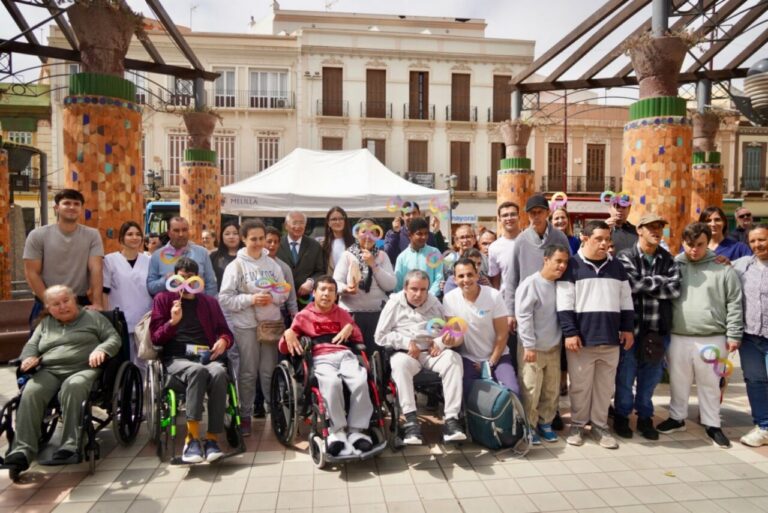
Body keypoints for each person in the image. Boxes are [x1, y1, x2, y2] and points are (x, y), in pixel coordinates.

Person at [2, 285, 122, 473]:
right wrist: (28, 358)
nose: (62, 306)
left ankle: (71, 446)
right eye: (56, 304)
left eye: (66, 301)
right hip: (50, 370)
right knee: (31, 391)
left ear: (74, 300)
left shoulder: (92, 317)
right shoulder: (46, 324)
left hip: (83, 368)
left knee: (73, 387)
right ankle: (22, 451)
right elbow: (31, 346)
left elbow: (113, 338)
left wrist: (101, 349)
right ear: (48, 308)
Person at [657, 222, 743, 448]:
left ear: (708, 243)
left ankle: (713, 424)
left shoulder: (723, 268)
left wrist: (734, 334)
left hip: (713, 336)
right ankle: (677, 418)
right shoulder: (673, 266)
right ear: (683, 243)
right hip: (678, 336)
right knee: (678, 380)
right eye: (690, 245)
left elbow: (734, 302)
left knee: (711, 383)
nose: (694, 249)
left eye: (700, 245)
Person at [557, 220, 634, 449]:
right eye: (598, 239)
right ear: (584, 238)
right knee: (580, 386)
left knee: (605, 387)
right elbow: (564, 303)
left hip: (611, 339)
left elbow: (626, 300)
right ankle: (578, 425)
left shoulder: (617, 267)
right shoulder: (571, 266)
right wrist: (570, 333)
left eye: (607, 239)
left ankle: (600, 426)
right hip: (582, 341)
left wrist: (628, 329)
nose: (604, 244)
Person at [150, 257, 234, 463]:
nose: (185, 283)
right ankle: (192, 438)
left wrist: (223, 341)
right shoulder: (163, 299)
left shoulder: (209, 302)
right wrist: (172, 322)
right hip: (177, 358)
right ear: (174, 278)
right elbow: (156, 337)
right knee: (197, 371)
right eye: (181, 278)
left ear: (198, 280)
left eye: (190, 278)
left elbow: (225, 331)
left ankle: (212, 438)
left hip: (206, 356)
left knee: (219, 372)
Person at [280, 276, 374, 456]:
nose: (326, 294)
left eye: (331, 290)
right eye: (322, 289)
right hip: (320, 357)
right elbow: (285, 347)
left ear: (336, 295)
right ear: (314, 293)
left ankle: (356, 431)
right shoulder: (303, 316)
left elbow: (359, 339)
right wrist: (288, 333)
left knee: (360, 380)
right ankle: (337, 431)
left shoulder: (342, 313)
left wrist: (350, 328)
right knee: (332, 383)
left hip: (344, 355)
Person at [374, 269, 466, 444]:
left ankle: (452, 420)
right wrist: (406, 341)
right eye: (414, 289)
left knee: (454, 359)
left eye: (423, 289)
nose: (419, 294)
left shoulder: (435, 303)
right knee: (399, 364)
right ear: (405, 288)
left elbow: (451, 332)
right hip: (407, 354)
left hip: (432, 352)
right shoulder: (394, 303)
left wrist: (441, 342)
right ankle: (410, 421)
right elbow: (380, 335)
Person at [218, 220, 289, 435]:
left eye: (261, 239)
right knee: (248, 372)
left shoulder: (273, 265)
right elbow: (225, 298)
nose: (258, 243)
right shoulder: (235, 266)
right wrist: (251, 299)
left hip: (269, 325)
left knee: (268, 372)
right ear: (244, 239)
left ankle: (274, 412)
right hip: (245, 326)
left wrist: (273, 297)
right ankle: (246, 413)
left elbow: (284, 292)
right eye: (253, 239)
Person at [614, 214, 681, 441]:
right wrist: (661, 281)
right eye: (651, 227)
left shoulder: (667, 258)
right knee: (625, 377)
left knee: (650, 378)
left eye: (659, 227)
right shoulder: (625, 256)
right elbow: (631, 284)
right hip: (630, 331)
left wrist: (647, 284)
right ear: (639, 230)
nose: (656, 231)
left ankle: (645, 418)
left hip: (657, 330)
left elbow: (675, 290)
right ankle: (622, 417)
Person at [23, 189, 105, 325]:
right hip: (46, 303)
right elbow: (32, 273)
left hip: (80, 303)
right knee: (41, 345)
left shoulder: (92, 235)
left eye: (76, 204)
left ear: (81, 208)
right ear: (56, 208)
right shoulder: (37, 235)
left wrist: (97, 303)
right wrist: (51, 303)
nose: (72, 207)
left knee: (84, 345)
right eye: (66, 203)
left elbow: (96, 268)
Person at [515, 244, 570, 445]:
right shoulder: (530, 284)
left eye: (565, 262)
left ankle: (545, 423)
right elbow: (524, 317)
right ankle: (529, 426)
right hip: (532, 349)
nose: (562, 266)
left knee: (551, 389)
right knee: (531, 389)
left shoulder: (561, 285)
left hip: (553, 347)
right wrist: (528, 345)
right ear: (546, 259)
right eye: (558, 261)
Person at [443, 258, 518, 397]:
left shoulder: (493, 296)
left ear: (477, 275)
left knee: (512, 393)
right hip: (468, 358)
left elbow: (502, 335)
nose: (466, 279)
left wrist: (490, 363)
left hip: (498, 355)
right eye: (461, 276)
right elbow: (456, 336)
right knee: (465, 394)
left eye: (470, 274)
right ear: (454, 279)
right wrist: (449, 340)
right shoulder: (449, 299)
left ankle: (516, 418)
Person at [505, 195, 570, 337]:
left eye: (539, 212)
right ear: (527, 215)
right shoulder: (521, 240)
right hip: (527, 306)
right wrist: (510, 312)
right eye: (532, 213)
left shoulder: (560, 237)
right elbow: (512, 278)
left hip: (554, 305)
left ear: (547, 213)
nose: (536, 216)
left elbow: (569, 271)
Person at [333, 218, 396, 354]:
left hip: (377, 314)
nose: (368, 236)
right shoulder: (347, 255)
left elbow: (390, 284)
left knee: (376, 354)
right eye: (364, 232)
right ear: (357, 234)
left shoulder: (382, 256)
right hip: (351, 314)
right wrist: (345, 289)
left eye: (372, 232)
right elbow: (335, 283)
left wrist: (374, 264)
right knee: (354, 354)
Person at [103, 221, 153, 376]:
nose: (134, 237)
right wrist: (107, 318)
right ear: (121, 238)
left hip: (144, 318)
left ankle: (141, 394)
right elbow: (104, 291)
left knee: (143, 361)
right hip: (120, 318)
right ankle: (127, 395)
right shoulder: (109, 260)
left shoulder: (149, 260)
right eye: (130, 234)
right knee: (125, 360)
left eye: (138, 234)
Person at [734, 224, 768, 447]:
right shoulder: (743, 266)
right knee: (755, 381)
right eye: (753, 241)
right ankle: (763, 426)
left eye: (762, 240)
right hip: (750, 337)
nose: (757, 245)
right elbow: (720, 265)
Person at [147, 217, 217, 296]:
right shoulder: (157, 256)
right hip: (170, 306)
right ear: (169, 233)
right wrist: (166, 280)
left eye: (184, 230)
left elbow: (211, 284)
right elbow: (151, 288)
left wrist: (207, 305)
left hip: (198, 306)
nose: (181, 234)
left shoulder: (202, 253)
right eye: (176, 231)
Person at [277, 211, 326, 307]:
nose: (298, 226)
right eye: (294, 223)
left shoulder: (314, 245)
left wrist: (310, 282)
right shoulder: (277, 244)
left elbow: (320, 271)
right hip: (281, 299)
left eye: (301, 223)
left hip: (306, 300)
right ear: (286, 226)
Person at [383, 201, 448, 265]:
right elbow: (388, 256)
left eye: (414, 213)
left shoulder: (428, 235)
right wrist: (395, 233)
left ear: (419, 214)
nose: (411, 216)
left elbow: (441, 253)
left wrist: (437, 232)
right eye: (408, 214)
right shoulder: (393, 234)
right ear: (402, 217)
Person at [393, 217, 443, 296]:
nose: (424, 237)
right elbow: (398, 284)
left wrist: (428, 297)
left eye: (426, 233)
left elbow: (439, 278)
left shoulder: (435, 253)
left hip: (431, 301)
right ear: (410, 235)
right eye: (419, 234)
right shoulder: (402, 257)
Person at [265, 226, 299, 323]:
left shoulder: (284, 267)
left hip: (280, 314)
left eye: (276, 242)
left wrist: (295, 320)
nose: (272, 245)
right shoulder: (252, 265)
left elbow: (291, 298)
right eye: (269, 241)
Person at [488, 201, 521, 291]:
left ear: (519, 217)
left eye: (513, 214)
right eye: (505, 215)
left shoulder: (530, 240)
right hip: (506, 298)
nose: (509, 218)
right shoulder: (494, 248)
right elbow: (495, 278)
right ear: (499, 219)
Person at [209, 221, 243, 292]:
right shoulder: (214, 256)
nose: (231, 237)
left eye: (235, 233)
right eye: (227, 234)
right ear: (222, 237)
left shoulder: (248, 256)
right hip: (220, 297)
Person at [322, 206, 355, 275]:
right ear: (328, 223)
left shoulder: (355, 242)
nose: (338, 222)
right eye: (334, 219)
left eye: (341, 219)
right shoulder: (322, 244)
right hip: (330, 283)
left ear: (345, 221)